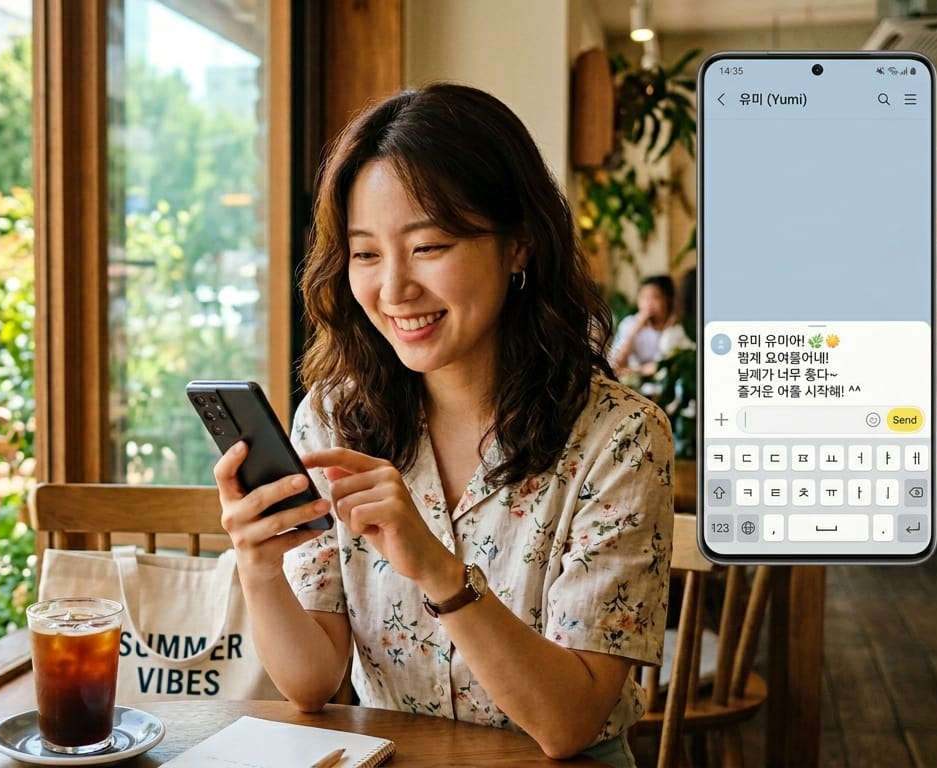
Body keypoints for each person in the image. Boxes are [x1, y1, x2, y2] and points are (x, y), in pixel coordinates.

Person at [214, 83, 673, 767]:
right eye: (366, 253)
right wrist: (258, 569)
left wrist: (436, 568)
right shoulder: (335, 416)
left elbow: (568, 725)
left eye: (428, 246)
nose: (393, 289)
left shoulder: (621, 436)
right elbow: (310, 682)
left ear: (519, 244)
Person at [609, 274, 692, 377]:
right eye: (643, 297)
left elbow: (673, 364)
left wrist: (638, 371)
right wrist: (636, 329)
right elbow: (616, 363)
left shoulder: (677, 328)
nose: (648, 303)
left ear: (667, 300)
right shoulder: (629, 324)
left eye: (654, 298)